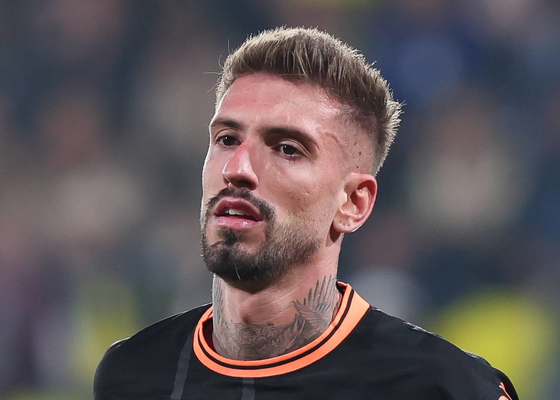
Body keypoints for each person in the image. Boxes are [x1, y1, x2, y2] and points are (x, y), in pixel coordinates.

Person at [94, 27, 518, 400]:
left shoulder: (443, 387)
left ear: (353, 203)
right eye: (227, 139)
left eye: (287, 149)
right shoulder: (133, 374)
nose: (237, 169)